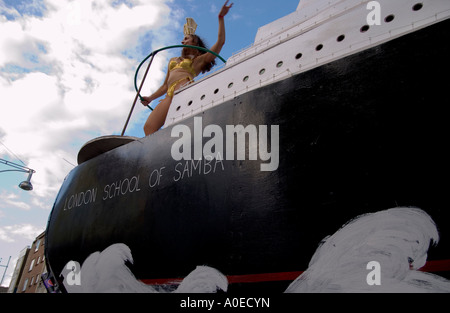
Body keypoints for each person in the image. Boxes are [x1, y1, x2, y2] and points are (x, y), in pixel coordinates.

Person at [141, 1, 234, 136]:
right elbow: (164, 86)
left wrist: (221, 19)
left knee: (181, 126)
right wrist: (150, 98)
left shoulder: (198, 60)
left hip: (184, 87)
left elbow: (220, 42)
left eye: (186, 38)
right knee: (149, 127)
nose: (182, 41)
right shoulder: (173, 61)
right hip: (169, 93)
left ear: (194, 42)